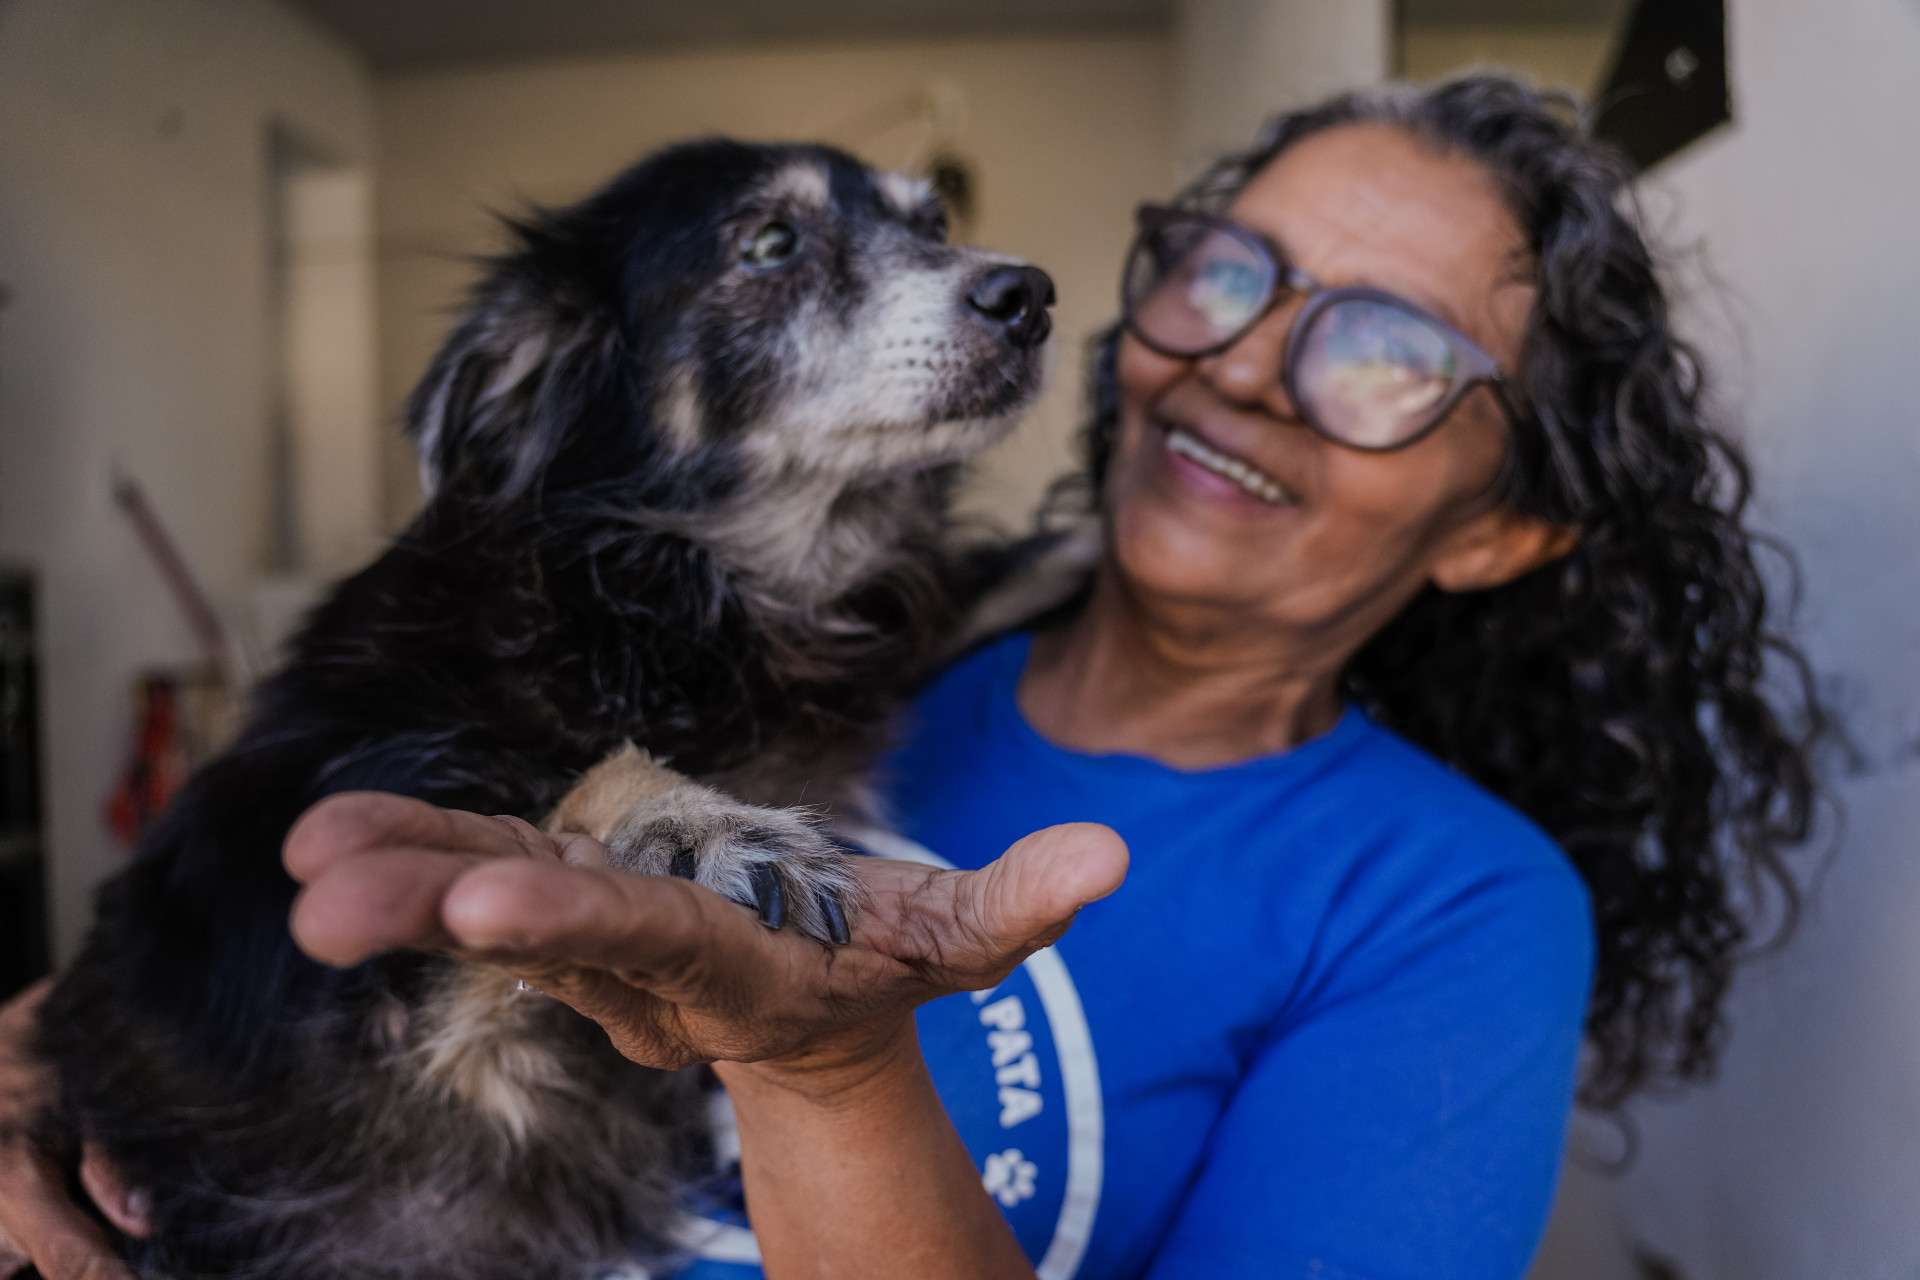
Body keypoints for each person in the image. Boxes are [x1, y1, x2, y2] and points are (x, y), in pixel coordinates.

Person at [0, 74, 1815, 1280]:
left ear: (1503, 528)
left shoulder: (1448, 910)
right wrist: (55, 1068)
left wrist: (825, 1063)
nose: (1252, 366)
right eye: (1229, 271)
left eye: (1388, 352)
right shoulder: (818, 636)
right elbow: (261, 952)